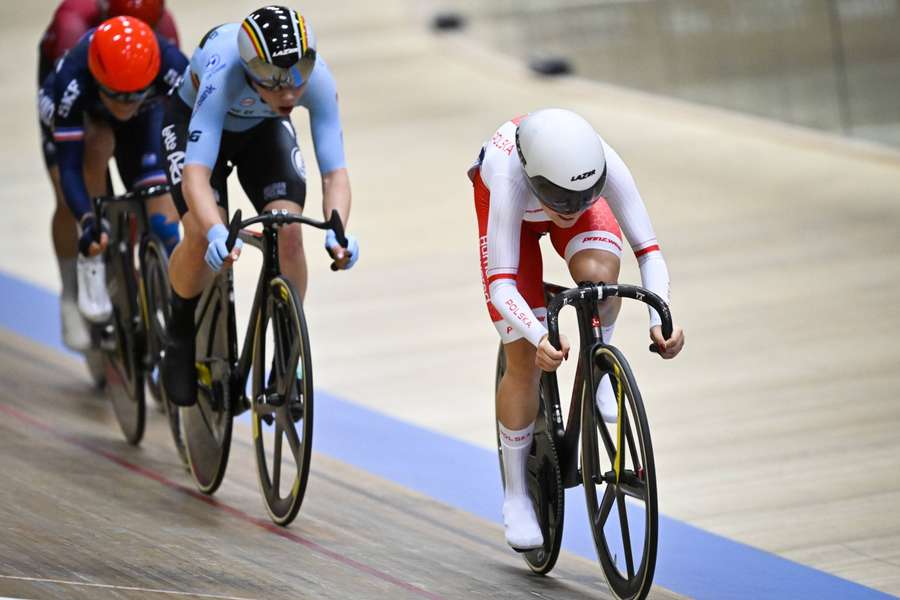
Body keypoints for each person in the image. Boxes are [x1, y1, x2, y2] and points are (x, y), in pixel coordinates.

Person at [470, 108, 685, 550]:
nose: (571, 210)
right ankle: (515, 495)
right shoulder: (509, 176)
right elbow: (502, 285)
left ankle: (599, 358)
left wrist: (660, 319)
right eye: (561, 199)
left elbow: (650, 252)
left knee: (603, 275)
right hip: (513, 224)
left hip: (562, 183)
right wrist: (536, 335)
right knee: (524, 360)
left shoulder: (603, 166)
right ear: (534, 181)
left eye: (585, 195)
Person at [160, 5, 358, 407]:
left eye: (296, 78)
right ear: (251, 69)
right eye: (273, 82)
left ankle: (287, 352)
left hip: (262, 129)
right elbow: (195, 175)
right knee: (199, 234)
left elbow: (334, 173)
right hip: (192, 125)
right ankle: (178, 333)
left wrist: (338, 230)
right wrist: (215, 230)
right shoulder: (223, 76)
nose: (288, 93)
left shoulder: (316, 80)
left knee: (288, 229)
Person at [38, 0, 180, 351]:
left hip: (142, 99)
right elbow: (69, 166)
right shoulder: (72, 38)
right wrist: (88, 218)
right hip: (81, 102)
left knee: (161, 200)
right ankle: (74, 290)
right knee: (88, 155)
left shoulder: (167, 46)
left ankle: (173, 289)